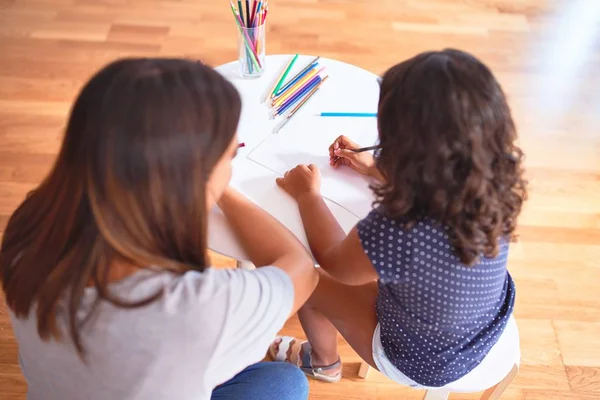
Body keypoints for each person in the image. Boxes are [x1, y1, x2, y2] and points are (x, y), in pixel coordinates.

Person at [0, 58, 318, 400]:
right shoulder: (197, 305)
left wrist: (202, 171)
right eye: (229, 155)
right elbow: (301, 270)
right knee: (288, 383)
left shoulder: (31, 224)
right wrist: (215, 185)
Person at [269, 49, 527, 387]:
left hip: (424, 360)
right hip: (485, 325)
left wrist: (308, 196)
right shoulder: (495, 180)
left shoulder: (400, 225)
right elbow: (442, 187)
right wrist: (380, 171)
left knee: (309, 278)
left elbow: (335, 263)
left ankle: (323, 362)